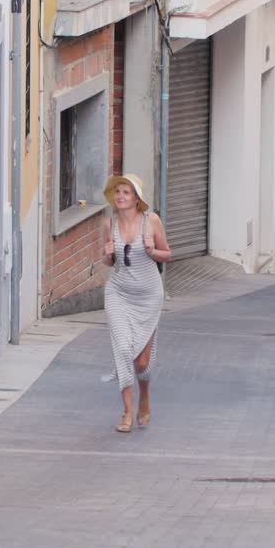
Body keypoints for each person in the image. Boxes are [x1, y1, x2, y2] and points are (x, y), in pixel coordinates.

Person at [101, 173, 171, 433]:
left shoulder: (151, 221)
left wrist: (152, 250)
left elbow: (167, 254)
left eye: (126, 192)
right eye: (117, 192)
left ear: (137, 198)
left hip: (148, 296)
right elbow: (109, 262)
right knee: (123, 349)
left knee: (141, 362)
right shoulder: (109, 223)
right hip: (118, 293)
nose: (120, 196)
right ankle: (127, 411)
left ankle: (145, 398)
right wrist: (107, 255)